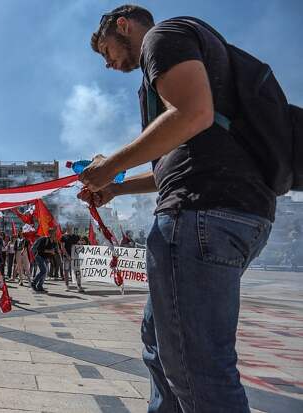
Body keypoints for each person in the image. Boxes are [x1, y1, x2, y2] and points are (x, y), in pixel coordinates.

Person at [80, 6, 275, 412]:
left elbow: (193, 113)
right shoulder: (169, 71)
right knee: (158, 345)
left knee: (197, 371)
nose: (109, 64)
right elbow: (175, 165)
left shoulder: (162, 38)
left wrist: (111, 165)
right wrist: (116, 189)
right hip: (231, 210)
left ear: (123, 25)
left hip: (201, 215)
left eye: (106, 51)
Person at [31, 228, 56, 293]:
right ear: (49, 234)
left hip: (45, 258)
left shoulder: (53, 242)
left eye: (54, 233)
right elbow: (40, 249)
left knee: (45, 272)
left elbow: (52, 251)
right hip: (39, 256)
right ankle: (33, 283)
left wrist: (53, 253)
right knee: (43, 270)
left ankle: (40, 286)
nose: (54, 234)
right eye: (53, 233)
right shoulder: (44, 239)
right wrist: (50, 251)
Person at [60, 225, 81, 291]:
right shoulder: (63, 237)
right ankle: (67, 285)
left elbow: (79, 245)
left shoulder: (76, 237)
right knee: (66, 271)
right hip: (67, 257)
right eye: (68, 227)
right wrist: (67, 256)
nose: (70, 228)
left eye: (71, 227)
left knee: (77, 271)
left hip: (75, 257)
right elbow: (62, 247)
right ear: (66, 228)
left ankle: (79, 286)